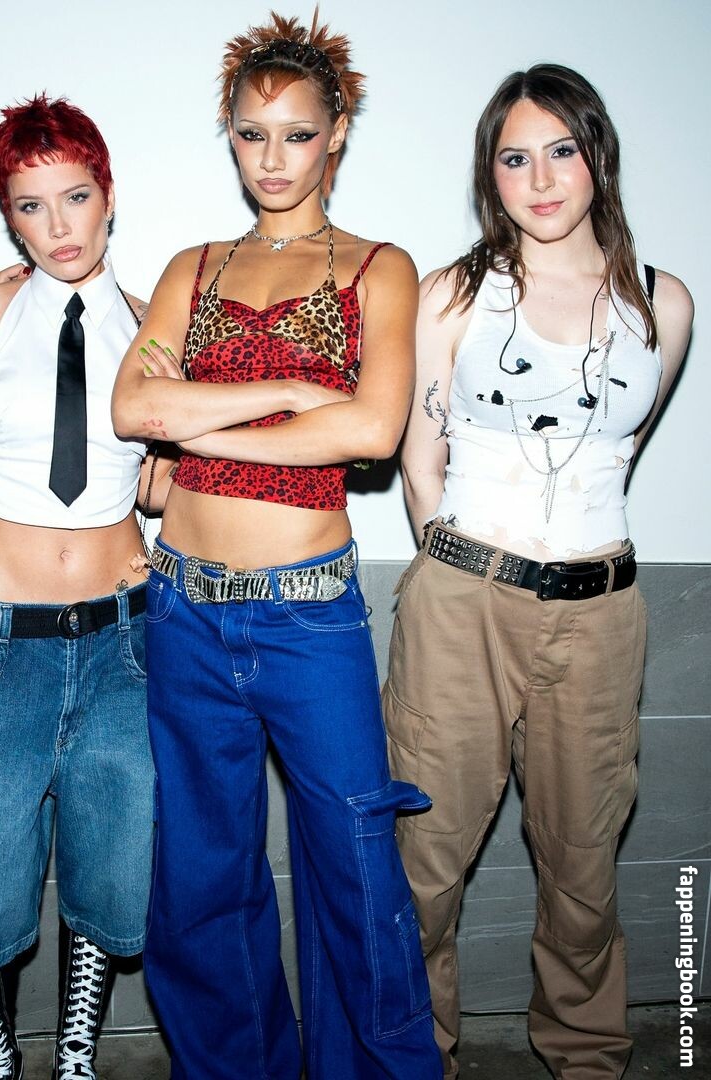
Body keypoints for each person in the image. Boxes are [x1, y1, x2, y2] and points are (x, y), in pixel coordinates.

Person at [111, 12, 441, 1079]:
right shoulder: (192, 267)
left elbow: (371, 431)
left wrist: (198, 424)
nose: (273, 158)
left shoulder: (383, 268)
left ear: (335, 133)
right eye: (252, 135)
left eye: (297, 134)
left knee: (356, 867)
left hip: (308, 615)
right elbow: (133, 407)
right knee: (200, 876)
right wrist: (293, 389)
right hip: (183, 610)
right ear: (230, 135)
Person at [383, 64, 693, 1079]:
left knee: (582, 867)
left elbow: (618, 453)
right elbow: (420, 467)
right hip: (463, 603)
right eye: (516, 158)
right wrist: (461, 578)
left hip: (600, 613)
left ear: (598, 155)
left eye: (563, 150)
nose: (542, 178)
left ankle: (588, 1058)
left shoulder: (663, 304)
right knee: (424, 862)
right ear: (492, 175)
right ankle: (415, 1059)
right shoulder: (452, 295)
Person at [0, 95, 166, 1080]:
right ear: (8, 217)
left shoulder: (153, 327)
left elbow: (168, 480)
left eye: (75, 197)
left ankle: (76, 1051)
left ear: (108, 196)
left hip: (123, 641)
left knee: (110, 869)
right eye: (30, 205)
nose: (58, 225)